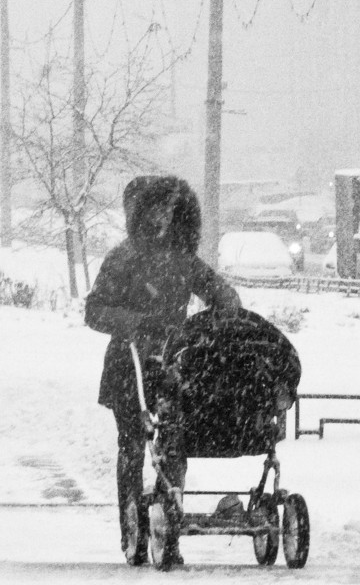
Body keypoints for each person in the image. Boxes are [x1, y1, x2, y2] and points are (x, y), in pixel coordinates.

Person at [84, 175, 241, 567]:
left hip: (172, 364)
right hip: (129, 364)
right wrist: (134, 321)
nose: (163, 220)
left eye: (170, 213)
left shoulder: (184, 260)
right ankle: (132, 527)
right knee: (132, 445)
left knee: (173, 445)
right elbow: (95, 309)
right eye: (156, 212)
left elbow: (221, 293)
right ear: (141, 214)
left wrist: (226, 313)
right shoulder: (123, 258)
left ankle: (168, 523)